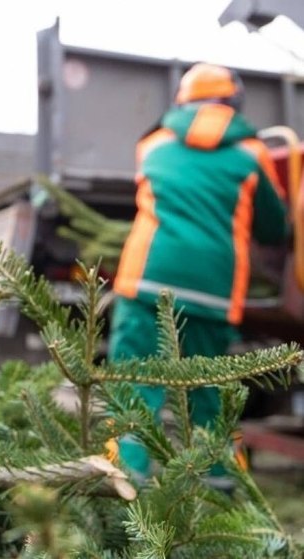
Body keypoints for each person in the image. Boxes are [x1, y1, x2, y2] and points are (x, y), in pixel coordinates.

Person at [107, 63, 290, 486]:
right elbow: (272, 228)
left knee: (134, 381)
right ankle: (219, 488)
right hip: (214, 290)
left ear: (181, 101)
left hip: (148, 277)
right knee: (207, 393)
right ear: (234, 104)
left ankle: (123, 482)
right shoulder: (252, 154)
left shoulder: (153, 145)